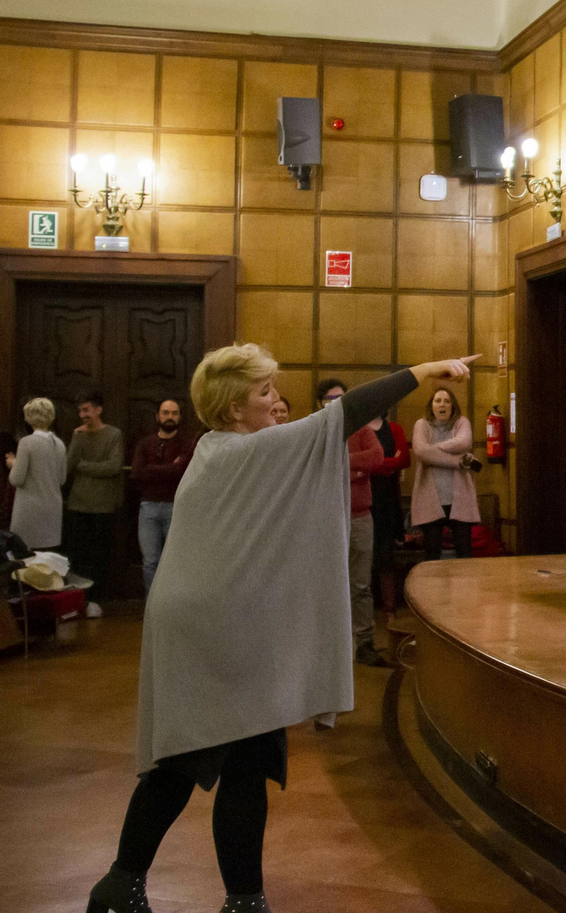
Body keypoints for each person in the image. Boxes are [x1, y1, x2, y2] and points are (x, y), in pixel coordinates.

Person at [86, 346, 475, 913]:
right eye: (264, 393)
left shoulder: (222, 449)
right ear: (232, 404)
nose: (275, 403)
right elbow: (341, 416)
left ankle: (225, 897)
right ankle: (136, 889)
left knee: (239, 759)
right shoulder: (248, 449)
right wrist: (419, 373)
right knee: (191, 759)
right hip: (212, 631)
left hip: (219, 625)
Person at [64, 392, 125, 618]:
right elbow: (68, 466)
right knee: (76, 555)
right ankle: (73, 601)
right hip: (77, 503)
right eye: (80, 411)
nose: (82, 415)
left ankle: (94, 600)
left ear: (98, 410)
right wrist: (76, 439)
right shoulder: (78, 435)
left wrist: (84, 466)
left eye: (86, 410)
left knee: (98, 555)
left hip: (102, 506)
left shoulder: (113, 434)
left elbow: (113, 466)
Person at [129, 400, 195, 591]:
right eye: (166, 413)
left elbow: (182, 471)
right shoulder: (145, 443)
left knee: (175, 560)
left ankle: (173, 605)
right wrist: (171, 468)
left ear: (180, 417)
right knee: (150, 561)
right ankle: (152, 605)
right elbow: (138, 473)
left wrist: (154, 470)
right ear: (158, 416)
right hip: (148, 507)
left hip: (176, 506)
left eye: (174, 413)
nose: (170, 417)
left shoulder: (187, 443)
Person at [411, 387, 480, 561]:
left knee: (464, 553)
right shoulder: (422, 424)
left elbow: (464, 442)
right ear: (431, 405)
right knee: (432, 555)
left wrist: (431, 450)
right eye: (438, 401)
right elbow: (419, 451)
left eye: (447, 401)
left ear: (453, 406)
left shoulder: (461, 422)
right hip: (431, 500)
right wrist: (456, 461)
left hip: (459, 498)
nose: (443, 405)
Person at [346, 414, 386, 666]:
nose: (332, 401)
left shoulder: (361, 430)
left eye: (338, 397)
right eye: (328, 398)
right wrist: (354, 470)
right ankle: (329, 647)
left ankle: (364, 644)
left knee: (360, 585)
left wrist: (339, 462)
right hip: (326, 518)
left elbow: (376, 457)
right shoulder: (317, 431)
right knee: (326, 586)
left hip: (360, 517)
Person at [368, 410, 411, 625]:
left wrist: (377, 464)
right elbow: (359, 462)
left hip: (388, 501)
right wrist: (386, 464)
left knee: (387, 556)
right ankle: (364, 613)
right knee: (363, 558)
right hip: (363, 501)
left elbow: (404, 458)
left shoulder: (394, 428)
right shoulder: (359, 429)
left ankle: (389, 610)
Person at [8, 397, 67, 551]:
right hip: (53, 508)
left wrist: (13, 463)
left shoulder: (27, 442)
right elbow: (62, 478)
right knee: (47, 558)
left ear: (28, 417)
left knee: (27, 559)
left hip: (29, 509)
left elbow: (16, 479)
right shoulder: (59, 444)